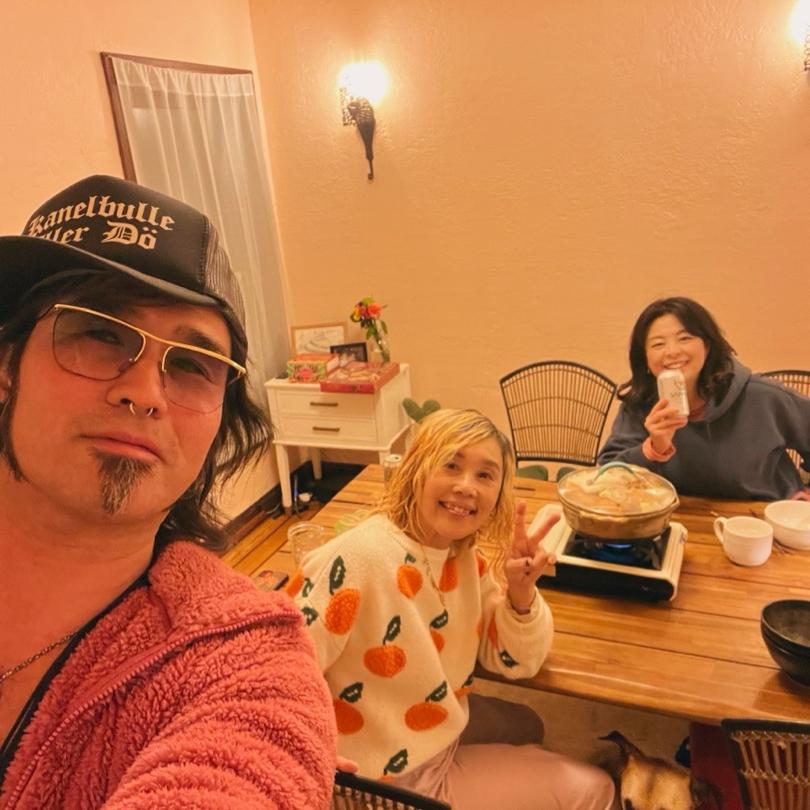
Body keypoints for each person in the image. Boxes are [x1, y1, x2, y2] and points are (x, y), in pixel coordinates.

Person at [0, 175, 336, 809]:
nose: (144, 393)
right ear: (6, 363)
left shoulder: (241, 665)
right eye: (100, 333)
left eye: (189, 364)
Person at [291, 408, 615, 810]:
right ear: (416, 470)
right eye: (451, 465)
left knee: (529, 723)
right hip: (388, 779)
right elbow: (275, 666)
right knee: (596, 788)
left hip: (434, 723)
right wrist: (310, 763)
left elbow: (516, 661)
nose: (466, 486)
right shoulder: (360, 557)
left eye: (485, 475)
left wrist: (521, 595)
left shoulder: (462, 556)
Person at [598, 296, 810, 501]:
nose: (672, 351)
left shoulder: (762, 397)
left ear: (707, 346)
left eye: (685, 338)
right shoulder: (640, 405)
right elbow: (607, 475)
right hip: (679, 519)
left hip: (762, 518)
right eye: (658, 344)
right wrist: (652, 449)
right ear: (644, 357)